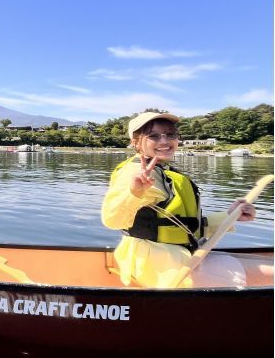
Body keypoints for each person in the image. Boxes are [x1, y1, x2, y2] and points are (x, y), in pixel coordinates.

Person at [101, 111, 272, 288]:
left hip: (180, 258)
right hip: (163, 270)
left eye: (171, 134)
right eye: (153, 136)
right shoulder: (135, 173)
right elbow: (113, 220)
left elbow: (182, 227)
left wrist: (230, 215)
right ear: (135, 142)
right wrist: (134, 193)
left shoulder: (161, 171)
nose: (165, 141)